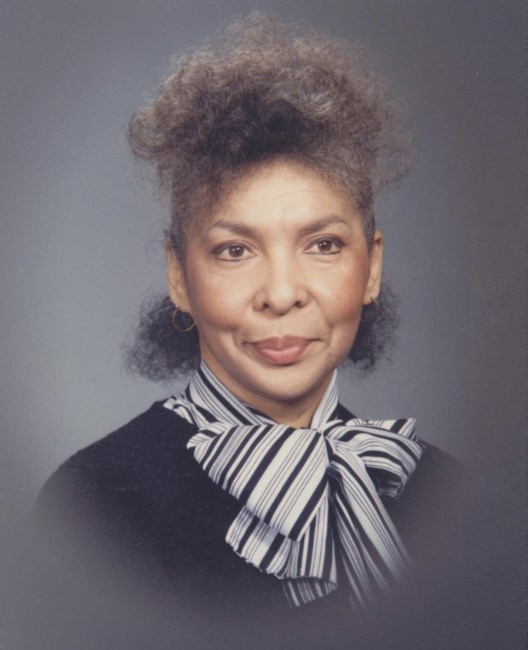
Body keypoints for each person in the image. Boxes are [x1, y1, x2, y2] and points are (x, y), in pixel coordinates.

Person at [33, 13, 466, 650]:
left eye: (323, 244)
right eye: (235, 251)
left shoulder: (446, 491)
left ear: (371, 268)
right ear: (180, 276)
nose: (282, 293)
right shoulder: (92, 504)